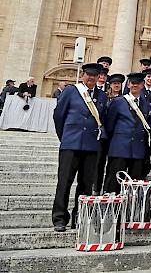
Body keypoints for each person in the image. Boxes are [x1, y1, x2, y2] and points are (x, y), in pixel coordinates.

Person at [52, 63, 107, 232]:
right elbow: (59, 115)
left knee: (85, 184)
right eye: (88, 74)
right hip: (71, 143)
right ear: (83, 75)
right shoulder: (71, 91)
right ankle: (60, 218)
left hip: (91, 145)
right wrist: (65, 136)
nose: (91, 78)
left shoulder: (102, 95)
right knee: (64, 182)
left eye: (95, 75)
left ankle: (80, 217)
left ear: (99, 77)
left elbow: (102, 119)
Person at [103, 72, 151, 193]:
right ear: (128, 84)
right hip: (120, 147)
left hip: (138, 149)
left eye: (138, 83)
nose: (135, 85)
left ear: (142, 85)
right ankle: (111, 208)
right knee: (114, 182)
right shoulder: (118, 101)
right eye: (132, 83)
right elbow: (109, 125)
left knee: (134, 185)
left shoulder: (146, 104)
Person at [95, 73, 124, 194]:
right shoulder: (105, 97)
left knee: (114, 164)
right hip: (105, 134)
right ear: (110, 85)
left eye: (118, 83)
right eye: (114, 83)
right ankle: (96, 188)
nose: (116, 85)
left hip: (117, 136)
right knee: (99, 163)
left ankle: (109, 188)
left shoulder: (125, 98)